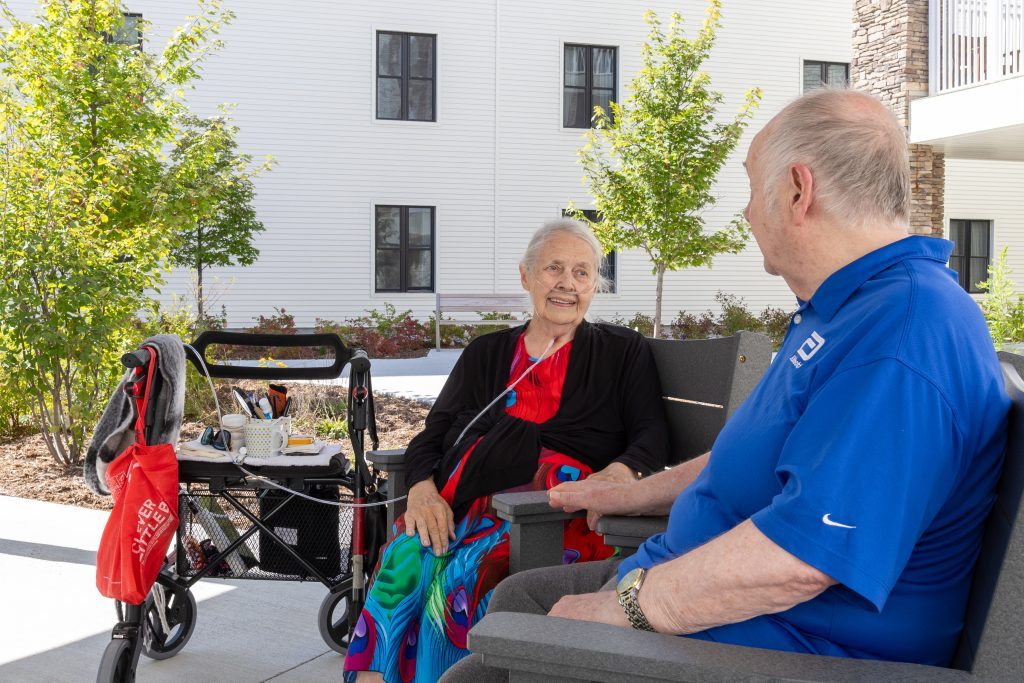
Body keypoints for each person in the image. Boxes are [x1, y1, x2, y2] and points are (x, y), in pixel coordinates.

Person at [441, 87, 1011, 682]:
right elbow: (765, 455)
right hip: (708, 594)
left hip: (779, 650)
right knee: (516, 605)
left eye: (750, 188)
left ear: (797, 190)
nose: (745, 212)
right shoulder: (847, 308)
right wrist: (633, 494)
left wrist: (627, 606)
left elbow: (799, 563)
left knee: (485, 665)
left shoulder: (903, 335)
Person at [344, 218, 670, 682]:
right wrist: (419, 487)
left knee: (463, 574)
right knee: (404, 558)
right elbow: (432, 434)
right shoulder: (487, 354)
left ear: (595, 285)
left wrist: (621, 473)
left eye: (582, 272)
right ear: (526, 276)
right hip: (469, 506)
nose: (567, 283)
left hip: (556, 517)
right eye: (553, 268)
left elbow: (651, 435)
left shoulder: (622, 351)